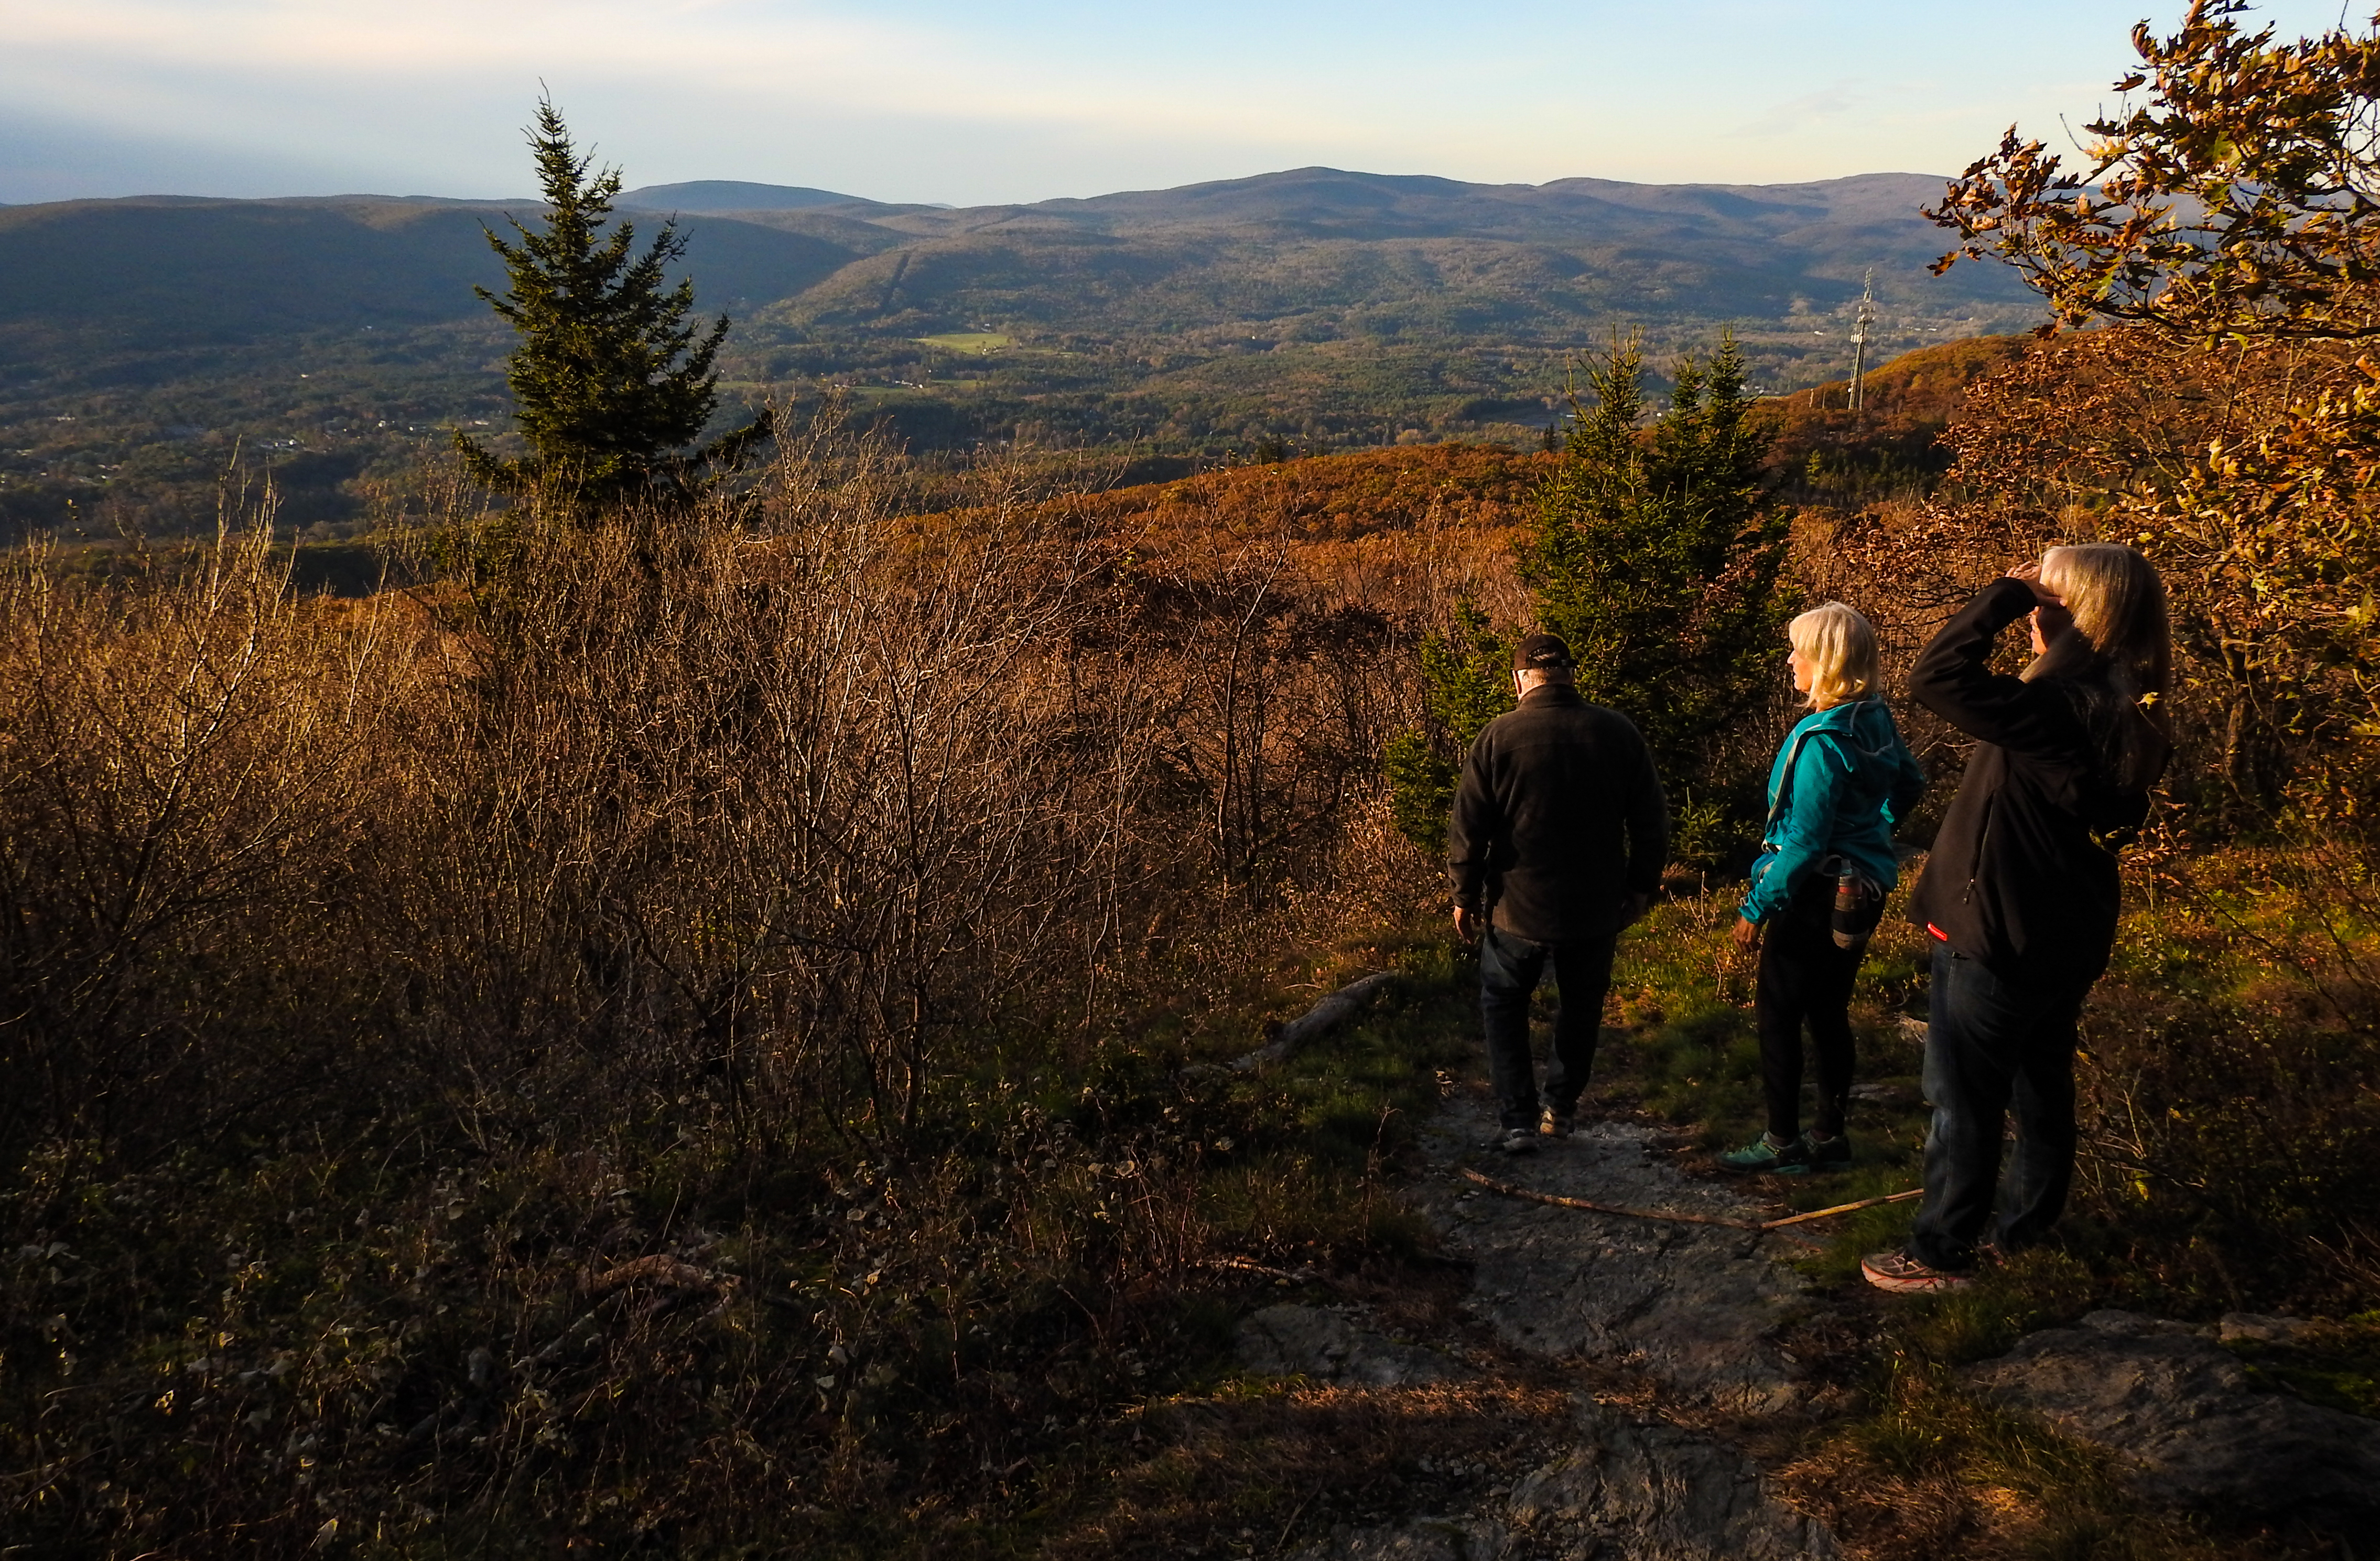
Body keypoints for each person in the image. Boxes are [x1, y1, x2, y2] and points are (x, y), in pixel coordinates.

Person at [1864, 544, 2172, 1294]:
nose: (2035, 610)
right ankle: (2025, 1236)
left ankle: (1942, 1251)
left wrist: (2000, 594)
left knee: (1964, 1098)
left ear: (2079, 614)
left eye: (2047, 596)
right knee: (2041, 1092)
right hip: (2062, 932)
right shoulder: (2125, 708)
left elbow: (1934, 677)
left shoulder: (2055, 711)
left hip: (1995, 935)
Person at [1717, 602, 1925, 1176]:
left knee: (1778, 1010)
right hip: (1864, 888)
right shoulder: (1873, 718)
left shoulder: (1820, 741)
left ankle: (1781, 1141)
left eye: (1798, 650)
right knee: (1830, 1010)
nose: (1789, 660)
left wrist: (1754, 910)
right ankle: (1830, 1136)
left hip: (1815, 892)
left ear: (1825, 662)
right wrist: (1874, 831)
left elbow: (1803, 844)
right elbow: (1911, 781)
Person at [1448, 632, 1670, 1154]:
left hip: (1515, 908)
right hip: (1595, 906)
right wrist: (1640, 886)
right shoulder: (1617, 733)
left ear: (1520, 679)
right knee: (1581, 1005)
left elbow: (1469, 829)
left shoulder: (1497, 738)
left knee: (1504, 1005)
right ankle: (1562, 1107)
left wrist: (1464, 894)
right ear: (1569, 673)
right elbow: (1650, 822)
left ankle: (1516, 1120)